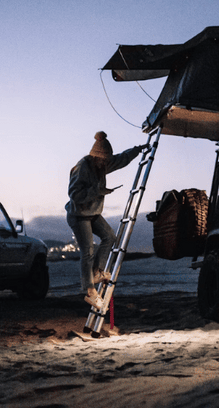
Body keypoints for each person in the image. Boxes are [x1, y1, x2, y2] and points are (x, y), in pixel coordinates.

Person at [65, 131, 147, 310]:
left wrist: (137, 150)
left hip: (92, 212)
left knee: (110, 236)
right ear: (95, 157)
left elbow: (120, 159)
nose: (105, 164)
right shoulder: (83, 168)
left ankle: (97, 272)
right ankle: (89, 291)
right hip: (78, 214)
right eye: (103, 161)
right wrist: (96, 191)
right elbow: (74, 195)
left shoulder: (102, 164)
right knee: (88, 250)